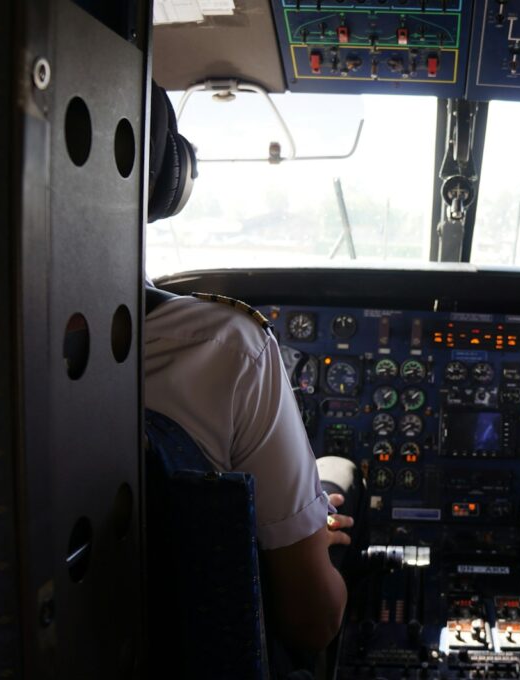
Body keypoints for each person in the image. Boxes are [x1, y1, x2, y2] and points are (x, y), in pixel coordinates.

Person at [142, 82, 355, 653]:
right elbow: (312, 624)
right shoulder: (229, 347)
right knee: (335, 473)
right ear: (168, 180)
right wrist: (309, 534)